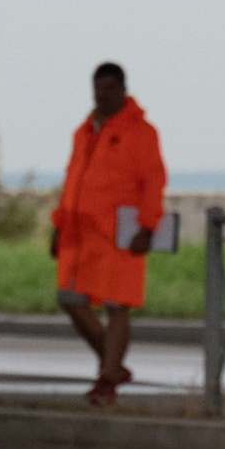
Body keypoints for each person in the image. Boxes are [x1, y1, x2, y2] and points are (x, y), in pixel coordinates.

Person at [51, 62, 168, 406]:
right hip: (78, 234)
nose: (102, 95)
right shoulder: (83, 132)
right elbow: (71, 182)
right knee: (70, 300)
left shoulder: (140, 132)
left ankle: (107, 380)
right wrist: (58, 225)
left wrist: (147, 227)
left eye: (109, 88)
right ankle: (113, 366)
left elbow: (154, 182)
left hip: (120, 236)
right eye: (97, 89)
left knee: (118, 307)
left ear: (123, 90)